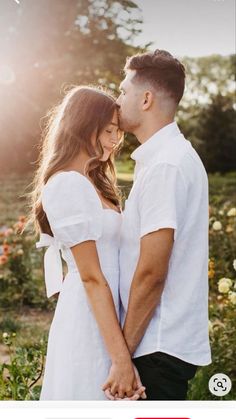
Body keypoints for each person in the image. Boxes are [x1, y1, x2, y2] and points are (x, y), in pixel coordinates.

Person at [28, 86, 146, 400]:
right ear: (82, 126)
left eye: (117, 132)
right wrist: (120, 359)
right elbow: (92, 276)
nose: (115, 140)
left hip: (110, 313)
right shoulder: (66, 184)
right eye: (108, 130)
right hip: (88, 318)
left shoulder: (92, 183)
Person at [114, 50, 212, 400]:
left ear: (145, 98)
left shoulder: (166, 165)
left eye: (123, 90)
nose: (118, 99)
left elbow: (152, 271)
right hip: (158, 343)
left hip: (155, 346)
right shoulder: (166, 158)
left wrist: (121, 355)